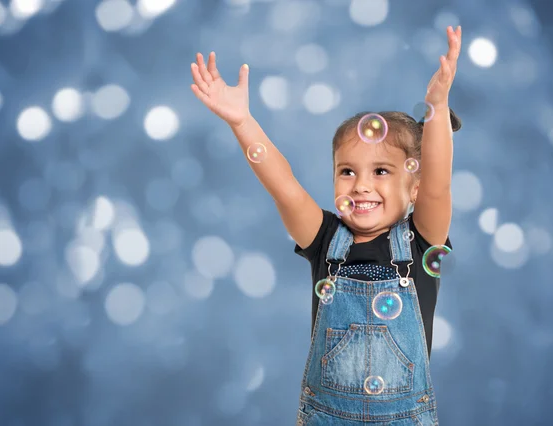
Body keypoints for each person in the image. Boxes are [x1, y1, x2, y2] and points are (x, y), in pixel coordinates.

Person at [191, 25, 462, 426]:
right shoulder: (325, 240)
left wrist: (437, 107)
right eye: (347, 171)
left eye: (382, 171)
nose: (362, 185)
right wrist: (241, 121)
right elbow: (284, 187)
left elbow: (439, 184)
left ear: (414, 188)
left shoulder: (421, 242)